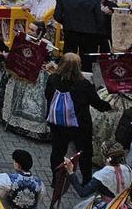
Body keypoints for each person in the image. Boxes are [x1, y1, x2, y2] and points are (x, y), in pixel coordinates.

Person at [45, 53, 111, 182]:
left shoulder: (53, 79)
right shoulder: (84, 84)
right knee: (85, 153)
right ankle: (86, 180)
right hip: (80, 126)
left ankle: (56, 179)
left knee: (57, 152)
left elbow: (48, 96)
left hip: (57, 124)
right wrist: (109, 105)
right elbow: (97, 104)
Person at [59, 144, 132, 209]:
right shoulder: (128, 170)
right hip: (126, 208)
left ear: (106, 158)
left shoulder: (103, 174)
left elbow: (82, 192)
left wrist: (71, 172)